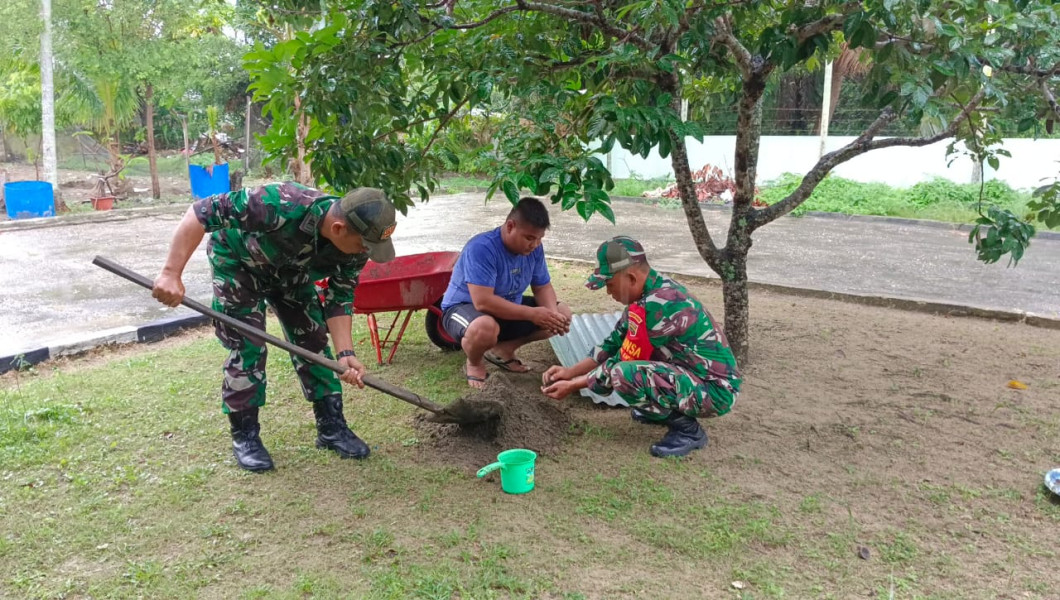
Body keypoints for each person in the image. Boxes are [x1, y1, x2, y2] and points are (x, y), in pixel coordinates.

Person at [151, 182, 398, 472]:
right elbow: (201, 212)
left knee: (314, 341)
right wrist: (171, 273)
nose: (365, 252)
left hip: (291, 275)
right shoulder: (279, 202)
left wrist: (346, 353)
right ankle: (246, 437)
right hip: (239, 264)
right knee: (249, 345)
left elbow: (340, 296)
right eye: (363, 245)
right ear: (338, 229)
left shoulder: (356, 247)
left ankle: (332, 427)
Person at [541, 236, 741, 458]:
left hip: (715, 391)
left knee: (623, 375)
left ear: (631, 277)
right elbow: (614, 342)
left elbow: (621, 362)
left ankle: (689, 431)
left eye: (610, 285)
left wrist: (572, 385)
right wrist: (569, 372)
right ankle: (658, 409)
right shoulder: (649, 291)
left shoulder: (660, 305)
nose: (608, 292)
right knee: (629, 372)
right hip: (693, 376)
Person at [440, 197, 572, 388]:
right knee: (485, 327)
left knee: (562, 314)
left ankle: (503, 350)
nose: (535, 244)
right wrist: (533, 314)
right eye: (529, 238)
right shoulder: (481, 248)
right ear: (510, 226)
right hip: (464, 308)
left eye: (539, 238)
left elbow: (542, 286)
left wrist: (551, 316)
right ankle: (474, 363)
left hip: (506, 309)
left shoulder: (535, 249)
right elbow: (483, 302)